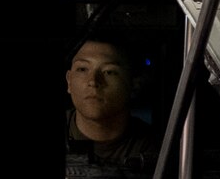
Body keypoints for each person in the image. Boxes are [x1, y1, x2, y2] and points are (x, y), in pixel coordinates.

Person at [65, 38, 155, 169]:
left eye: (109, 72)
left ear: (134, 84)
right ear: (69, 81)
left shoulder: (156, 149)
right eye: (83, 69)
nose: (93, 81)